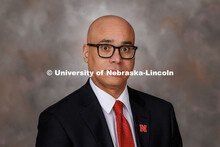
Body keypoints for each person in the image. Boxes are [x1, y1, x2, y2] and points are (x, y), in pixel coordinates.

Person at [36, 15, 182, 147]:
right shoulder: (58, 120)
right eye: (105, 48)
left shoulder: (162, 113)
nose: (117, 59)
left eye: (125, 49)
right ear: (86, 53)